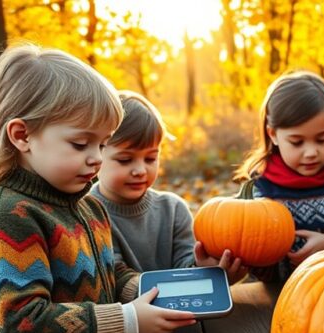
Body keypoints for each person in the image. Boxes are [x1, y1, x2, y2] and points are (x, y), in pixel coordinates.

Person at [0, 45, 196, 333]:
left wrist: (149, 292)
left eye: (102, 145)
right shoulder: (7, 219)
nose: (96, 159)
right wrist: (129, 322)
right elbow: (23, 324)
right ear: (23, 135)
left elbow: (110, 274)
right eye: (80, 144)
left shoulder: (86, 206)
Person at [234, 71, 324, 281]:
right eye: (297, 142)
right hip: (279, 293)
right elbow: (252, 251)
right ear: (273, 134)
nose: (311, 152)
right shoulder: (260, 187)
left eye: (322, 139)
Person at [91, 90, 247, 284]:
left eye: (150, 158)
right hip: (125, 312)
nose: (140, 170)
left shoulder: (173, 210)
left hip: (179, 309)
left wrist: (204, 269)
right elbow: (113, 279)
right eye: (125, 160)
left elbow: (185, 267)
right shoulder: (88, 212)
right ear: (96, 154)